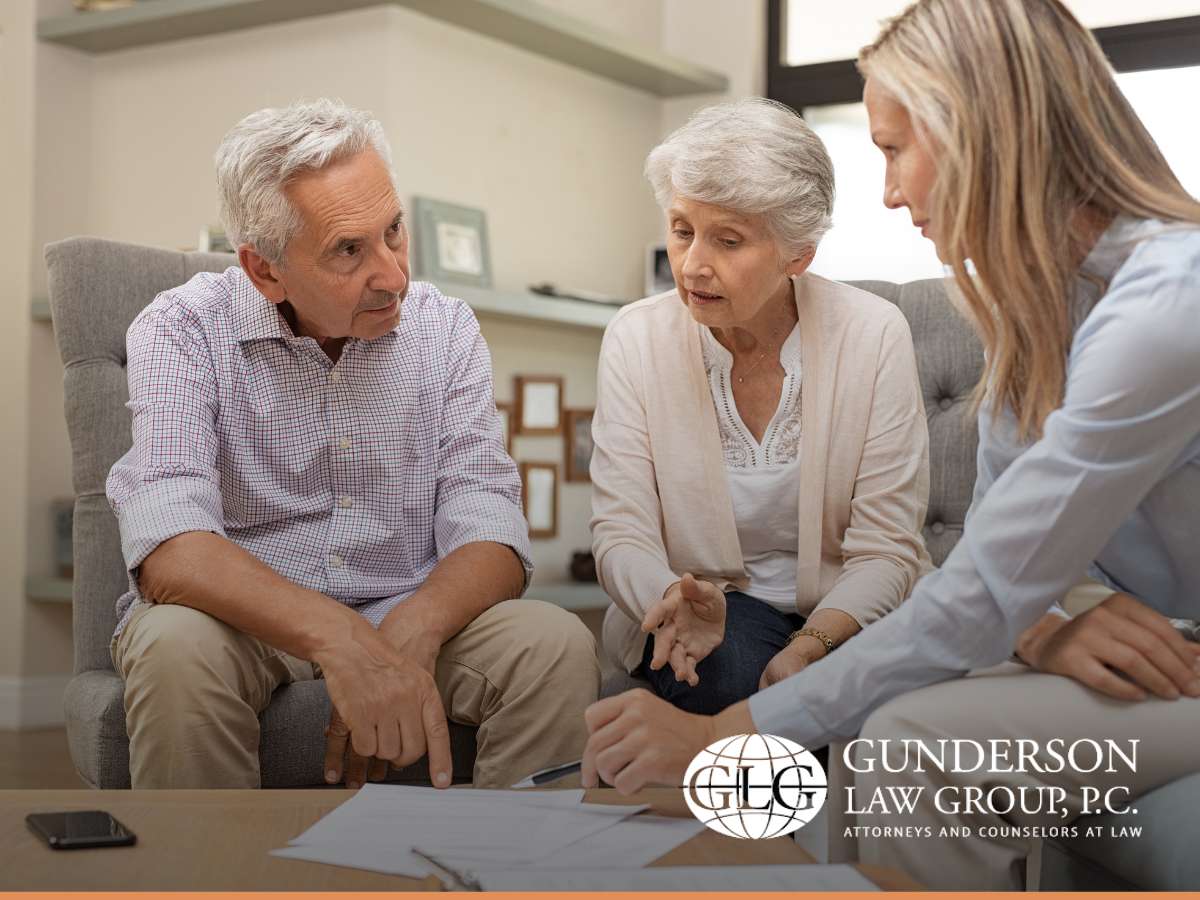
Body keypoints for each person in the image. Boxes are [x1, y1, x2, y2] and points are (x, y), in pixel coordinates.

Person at [582, 0, 1200, 888]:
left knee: (909, 745)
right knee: (890, 729)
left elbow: (979, 588)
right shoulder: (1041, 314)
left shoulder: (1168, 302)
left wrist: (724, 744)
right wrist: (1049, 624)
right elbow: (995, 566)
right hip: (1166, 653)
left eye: (892, 148)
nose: (889, 191)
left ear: (979, 133)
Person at [106, 99, 599, 790]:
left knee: (553, 645)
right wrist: (342, 644)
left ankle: (513, 881)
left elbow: (491, 526)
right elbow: (171, 547)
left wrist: (413, 631)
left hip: (404, 605)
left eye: (394, 231)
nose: (394, 274)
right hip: (238, 625)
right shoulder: (180, 329)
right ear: (264, 270)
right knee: (174, 647)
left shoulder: (446, 330)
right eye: (348, 250)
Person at [590, 98, 931, 715]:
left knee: (885, 685)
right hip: (706, 613)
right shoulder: (636, 337)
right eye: (682, 230)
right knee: (728, 669)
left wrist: (812, 643)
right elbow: (621, 531)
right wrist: (674, 598)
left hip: (849, 608)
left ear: (797, 254)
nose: (692, 265)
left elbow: (887, 548)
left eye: (728, 240)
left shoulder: (874, 333)